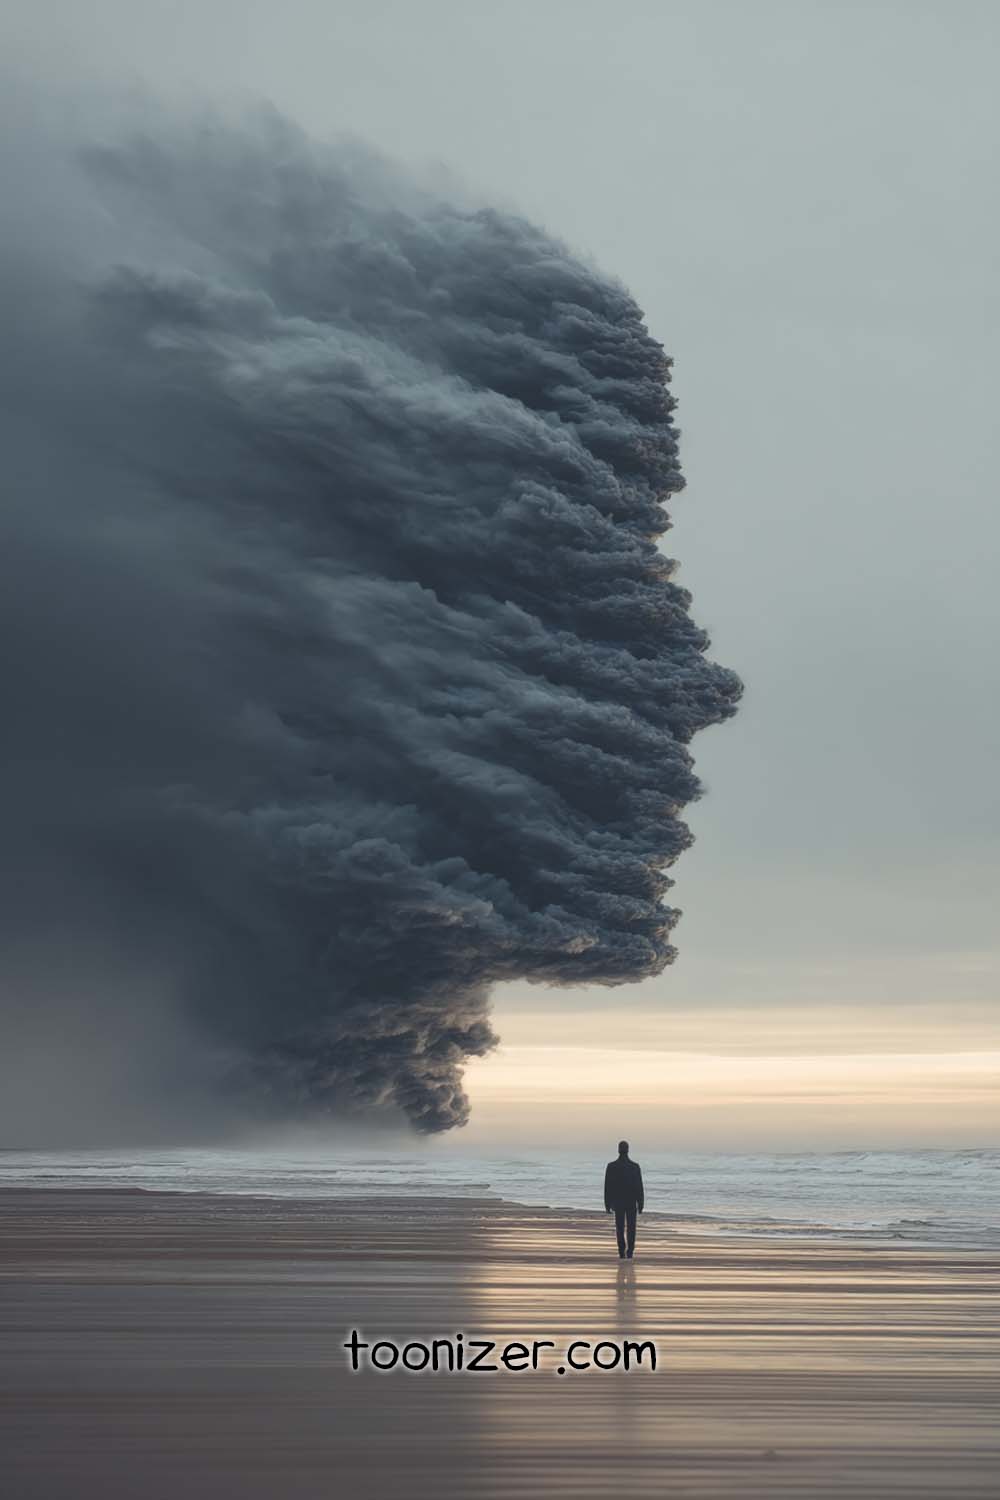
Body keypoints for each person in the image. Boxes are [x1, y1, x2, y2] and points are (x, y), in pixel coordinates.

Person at [604, 1140, 644, 1259]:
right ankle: (630, 1251)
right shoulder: (635, 1167)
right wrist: (641, 1203)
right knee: (631, 1227)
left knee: (620, 1227)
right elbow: (639, 1187)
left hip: (618, 1202)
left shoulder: (611, 1166)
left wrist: (607, 1203)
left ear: (618, 1150)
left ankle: (622, 1251)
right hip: (631, 1202)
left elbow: (607, 1187)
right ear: (628, 1150)